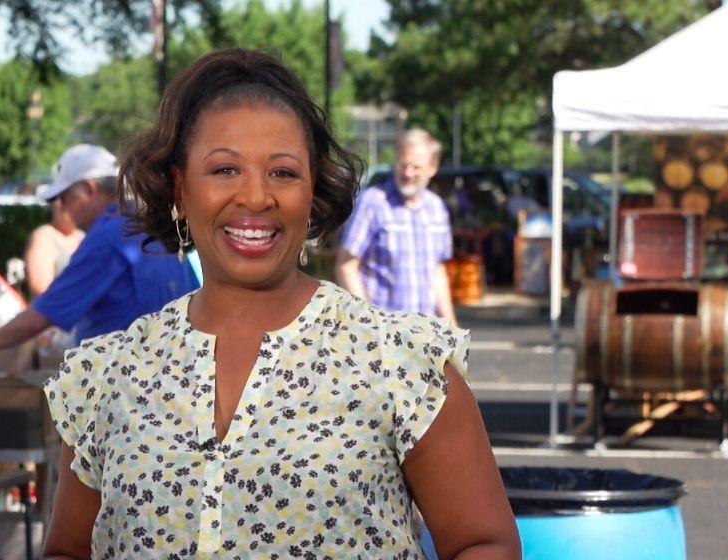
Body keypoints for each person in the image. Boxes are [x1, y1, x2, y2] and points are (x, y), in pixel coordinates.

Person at [41, 48, 518, 558]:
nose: (254, 197)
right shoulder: (110, 375)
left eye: (283, 173)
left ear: (312, 190)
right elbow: (68, 550)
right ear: (180, 189)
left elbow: (483, 543)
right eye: (224, 170)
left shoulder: (400, 363)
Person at [0, 145, 199, 360]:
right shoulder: (146, 222)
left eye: (65, 197)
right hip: (168, 377)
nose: (61, 207)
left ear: (90, 190)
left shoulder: (110, 236)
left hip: (130, 386)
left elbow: (43, 313)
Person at [336, 128, 457, 324]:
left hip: (424, 335)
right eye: (403, 165)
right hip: (382, 336)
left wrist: (450, 325)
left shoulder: (436, 208)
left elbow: (437, 270)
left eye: (416, 167)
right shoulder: (373, 202)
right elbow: (346, 264)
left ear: (432, 168)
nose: (408, 173)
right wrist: (368, 322)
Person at [24, 149, 93, 298]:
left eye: (66, 197)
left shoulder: (85, 235)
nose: (64, 205)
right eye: (59, 199)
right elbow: (41, 295)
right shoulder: (44, 237)